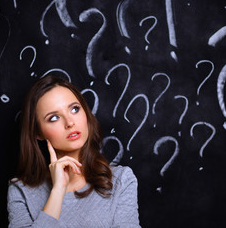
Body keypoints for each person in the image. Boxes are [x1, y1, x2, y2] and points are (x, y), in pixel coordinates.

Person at [7, 75, 141, 227]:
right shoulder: (21, 191)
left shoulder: (120, 181)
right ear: (38, 133)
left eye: (75, 109)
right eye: (54, 118)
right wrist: (58, 191)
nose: (70, 122)